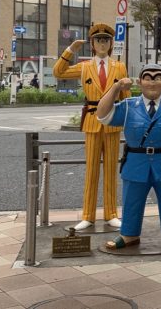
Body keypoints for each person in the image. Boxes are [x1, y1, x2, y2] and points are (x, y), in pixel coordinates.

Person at [97, 63, 161, 248]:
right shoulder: (128, 107)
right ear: (139, 81)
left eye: (157, 77)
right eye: (148, 77)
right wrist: (116, 87)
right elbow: (102, 115)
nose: (152, 82)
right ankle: (129, 234)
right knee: (132, 200)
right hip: (136, 163)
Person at [53, 23, 131, 230]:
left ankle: (111, 213)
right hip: (92, 119)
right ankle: (88, 215)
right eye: (98, 40)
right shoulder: (85, 66)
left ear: (111, 43)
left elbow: (126, 99)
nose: (102, 43)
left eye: (106, 40)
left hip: (113, 121)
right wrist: (71, 50)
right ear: (92, 44)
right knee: (92, 170)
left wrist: (130, 123)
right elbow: (58, 72)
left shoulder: (119, 67)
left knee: (111, 170)